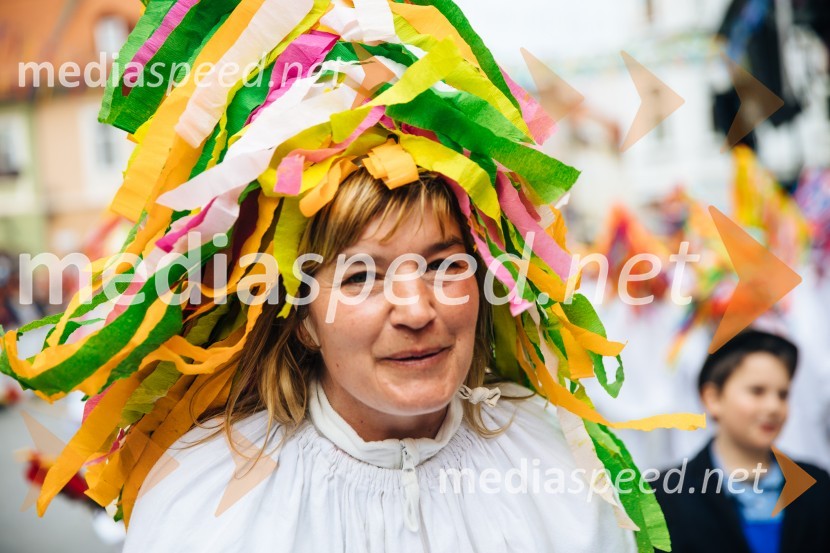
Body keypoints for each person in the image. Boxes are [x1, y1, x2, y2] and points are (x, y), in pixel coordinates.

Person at [0, 1, 701, 551]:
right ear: (301, 313)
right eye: (363, 275)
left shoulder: (557, 466)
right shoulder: (209, 497)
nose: (417, 308)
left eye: (443, 265)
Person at [654, 329, 830, 553]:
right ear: (713, 398)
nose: (774, 407)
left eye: (783, 394)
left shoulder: (817, 487)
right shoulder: (667, 495)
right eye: (757, 391)